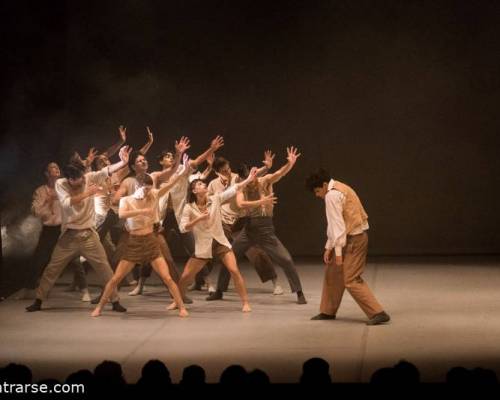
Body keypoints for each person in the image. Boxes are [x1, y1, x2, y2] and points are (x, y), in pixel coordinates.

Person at [25, 146, 131, 312]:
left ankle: (115, 301)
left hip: (89, 235)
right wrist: (88, 193)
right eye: (72, 180)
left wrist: (123, 162)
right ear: (67, 178)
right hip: (69, 236)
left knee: (104, 268)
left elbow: (107, 170)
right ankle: (38, 300)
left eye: (79, 179)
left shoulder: (89, 177)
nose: (77, 182)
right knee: (52, 268)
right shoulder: (61, 184)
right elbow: (67, 203)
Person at [209, 147, 307, 304]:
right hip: (248, 229)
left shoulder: (265, 181)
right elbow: (241, 204)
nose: (250, 181)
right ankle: (220, 291)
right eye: (246, 178)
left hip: (266, 230)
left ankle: (299, 292)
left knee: (286, 259)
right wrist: (260, 202)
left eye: (251, 176)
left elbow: (280, 173)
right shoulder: (241, 185)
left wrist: (290, 163)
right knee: (229, 257)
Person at [91, 162, 189, 318]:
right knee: (116, 277)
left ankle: (181, 307)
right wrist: (142, 210)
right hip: (134, 242)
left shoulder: (154, 195)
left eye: (150, 186)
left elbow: (170, 184)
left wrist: (182, 171)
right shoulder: (127, 200)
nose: (148, 189)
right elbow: (122, 215)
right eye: (145, 186)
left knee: (167, 277)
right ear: (138, 186)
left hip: (150, 240)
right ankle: (100, 307)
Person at [167, 167, 270, 313]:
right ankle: (177, 301)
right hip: (203, 246)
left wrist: (248, 179)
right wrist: (198, 219)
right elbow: (184, 228)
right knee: (185, 277)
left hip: (220, 241)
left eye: (204, 184)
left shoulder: (215, 199)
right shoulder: (189, 208)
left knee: (234, 270)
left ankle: (245, 302)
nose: (204, 186)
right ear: (195, 191)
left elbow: (234, 189)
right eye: (200, 185)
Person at [305, 168, 390, 325]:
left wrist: (337, 252)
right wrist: (329, 247)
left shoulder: (331, 195)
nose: (317, 195)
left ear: (324, 185)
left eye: (317, 191)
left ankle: (378, 313)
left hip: (354, 240)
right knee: (333, 273)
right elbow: (337, 226)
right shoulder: (340, 186)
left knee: (350, 278)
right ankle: (327, 311)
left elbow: (337, 226)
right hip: (349, 237)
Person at [205, 153, 284, 297]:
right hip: (223, 223)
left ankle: (275, 282)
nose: (227, 172)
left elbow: (255, 175)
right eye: (223, 171)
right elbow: (208, 201)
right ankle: (213, 286)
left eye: (228, 169)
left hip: (241, 221)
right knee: (219, 253)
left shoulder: (238, 178)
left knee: (257, 253)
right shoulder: (213, 185)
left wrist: (266, 167)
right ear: (216, 172)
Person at [16, 162, 89, 301]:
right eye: (52, 168)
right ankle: (28, 289)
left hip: (65, 228)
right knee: (39, 258)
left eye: (57, 167)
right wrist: (48, 201)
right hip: (49, 229)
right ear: (46, 173)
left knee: (74, 259)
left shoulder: (65, 186)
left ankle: (84, 290)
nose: (56, 169)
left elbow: (79, 187)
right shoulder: (41, 191)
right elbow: (35, 211)